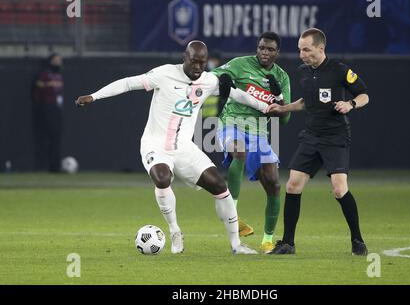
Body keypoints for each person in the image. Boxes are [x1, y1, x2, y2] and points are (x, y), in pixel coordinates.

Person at [75, 41, 270, 255]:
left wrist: (265, 107)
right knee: (162, 177)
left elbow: (237, 94)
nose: (197, 67)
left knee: (220, 187)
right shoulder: (164, 74)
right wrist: (94, 96)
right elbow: (128, 83)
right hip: (155, 145)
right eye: (194, 61)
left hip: (185, 148)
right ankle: (175, 230)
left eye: (202, 63)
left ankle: (236, 245)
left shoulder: (209, 81)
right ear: (184, 57)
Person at [266, 28, 369, 255]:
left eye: (306, 49)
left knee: (339, 189)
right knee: (292, 185)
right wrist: (283, 108)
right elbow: (306, 102)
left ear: (321, 48)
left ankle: (358, 241)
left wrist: (350, 104)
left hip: (335, 137)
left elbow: (364, 94)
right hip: (311, 136)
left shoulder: (339, 70)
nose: (301, 54)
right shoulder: (304, 72)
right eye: (300, 50)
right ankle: (288, 243)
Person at [212, 31, 291, 253]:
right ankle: (232, 215)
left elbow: (285, 119)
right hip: (231, 124)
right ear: (257, 48)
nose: (264, 53)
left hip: (259, 134)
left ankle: (267, 240)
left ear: (277, 52)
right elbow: (213, 75)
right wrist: (223, 78)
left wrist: (279, 99)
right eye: (261, 48)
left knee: (274, 184)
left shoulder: (282, 78)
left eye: (270, 49)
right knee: (239, 151)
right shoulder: (240, 64)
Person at [31, 53, 64, 172]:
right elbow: (37, 92)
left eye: (60, 60)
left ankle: (55, 166)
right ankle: (43, 166)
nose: (58, 62)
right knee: (46, 138)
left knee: (56, 137)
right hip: (46, 108)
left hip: (56, 108)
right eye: (56, 60)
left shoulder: (59, 75)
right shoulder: (44, 75)